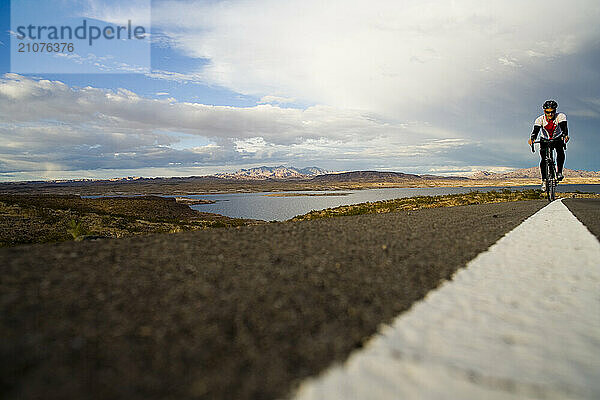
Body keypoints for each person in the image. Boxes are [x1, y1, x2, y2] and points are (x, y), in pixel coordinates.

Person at [528, 99, 569, 190]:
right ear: (544, 111)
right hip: (545, 140)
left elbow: (564, 128)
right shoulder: (540, 119)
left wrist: (565, 135)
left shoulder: (560, 116)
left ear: (555, 111)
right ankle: (544, 180)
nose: (550, 114)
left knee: (560, 152)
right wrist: (532, 139)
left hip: (557, 138)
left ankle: (559, 172)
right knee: (543, 159)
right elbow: (535, 131)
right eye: (548, 112)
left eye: (552, 112)